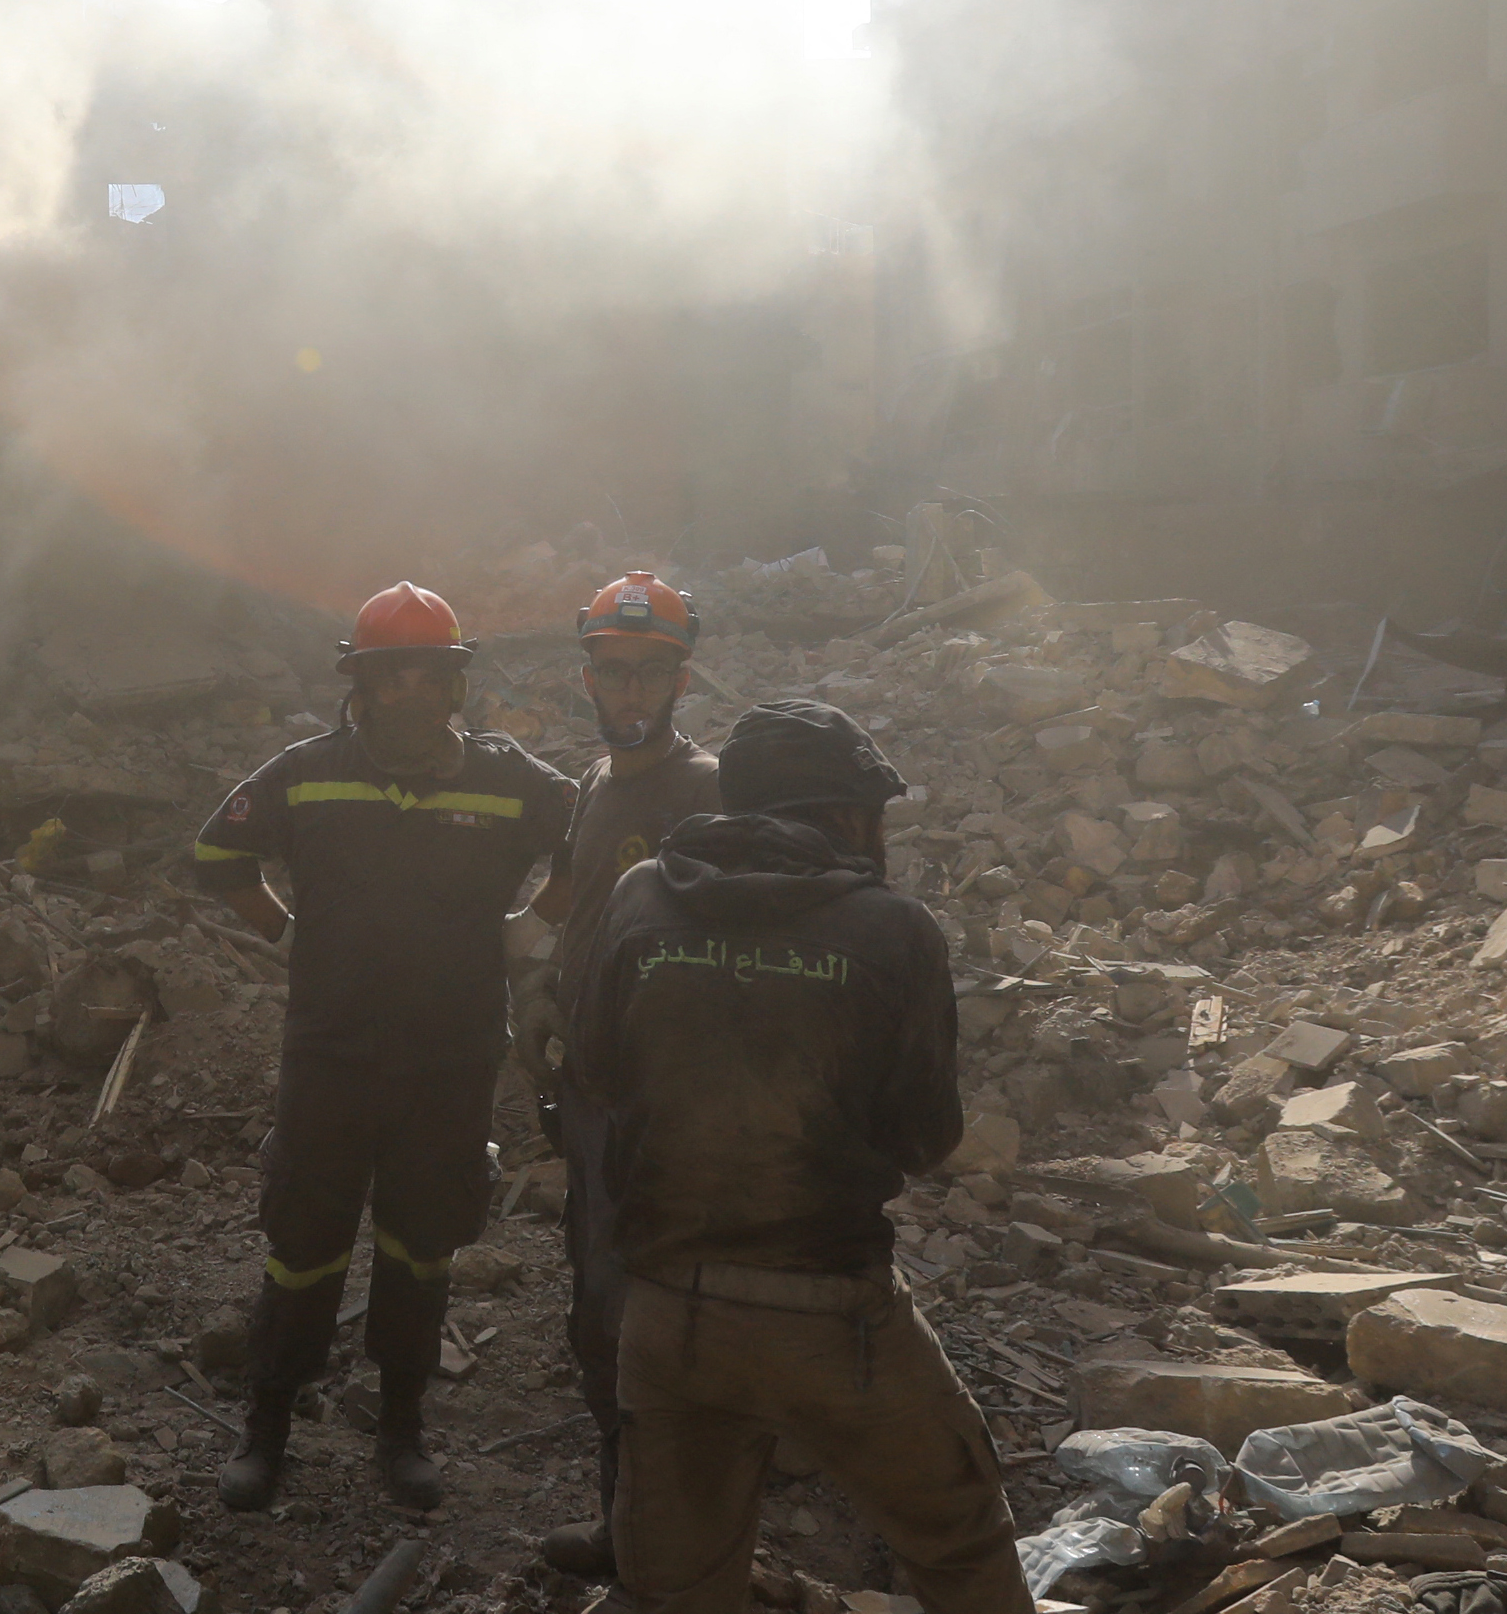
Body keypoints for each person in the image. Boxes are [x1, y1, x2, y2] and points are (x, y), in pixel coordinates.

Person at [568, 700, 1032, 1614]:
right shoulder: (895, 927)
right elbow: (925, 1138)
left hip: (667, 1315)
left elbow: (597, 1073)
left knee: (678, 1587)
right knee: (960, 1538)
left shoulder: (639, 898)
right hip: (834, 1317)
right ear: (848, 815)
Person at [192, 581, 575, 1513]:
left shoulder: (508, 776)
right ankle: (268, 1425)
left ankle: (401, 1430)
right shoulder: (303, 771)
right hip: (331, 1056)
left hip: (452, 1061)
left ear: (456, 682)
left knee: (422, 1244)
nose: (408, 689)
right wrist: (287, 932)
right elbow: (216, 857)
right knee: (303, 1242)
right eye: (387, 672)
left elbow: (591, 840)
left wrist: (532, 927)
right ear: (357, 681)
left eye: (429, 672)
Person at [513, 572, 723, 1578]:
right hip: (591, 1090)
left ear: (680, 677)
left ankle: (681, 1543)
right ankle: (627, 1524)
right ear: (586, 676)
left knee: (659, 1314)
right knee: (596, 1309)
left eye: (649, 671)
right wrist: (518, 976)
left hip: (667, 1104)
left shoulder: (707, 791)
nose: (628, 690)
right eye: (611, 670)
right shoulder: (594, 785)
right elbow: (563, 900)